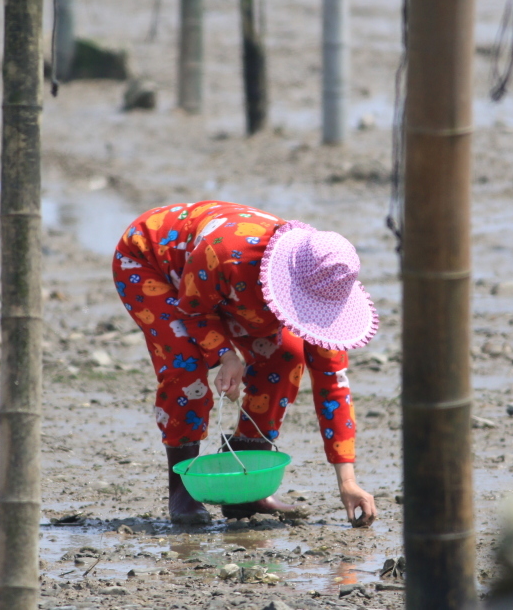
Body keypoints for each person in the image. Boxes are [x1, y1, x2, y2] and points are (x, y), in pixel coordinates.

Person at [112, 200, 380, 526]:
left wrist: (347, 481)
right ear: (287, 288)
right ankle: (182, 488)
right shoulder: (227, 254)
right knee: (186, 366)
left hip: (231, 291)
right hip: (152, 262)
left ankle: (245, 472)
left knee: (287, 354)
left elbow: (333, 384)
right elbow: (193, 309)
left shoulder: (325, 287)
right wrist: (225, 355)